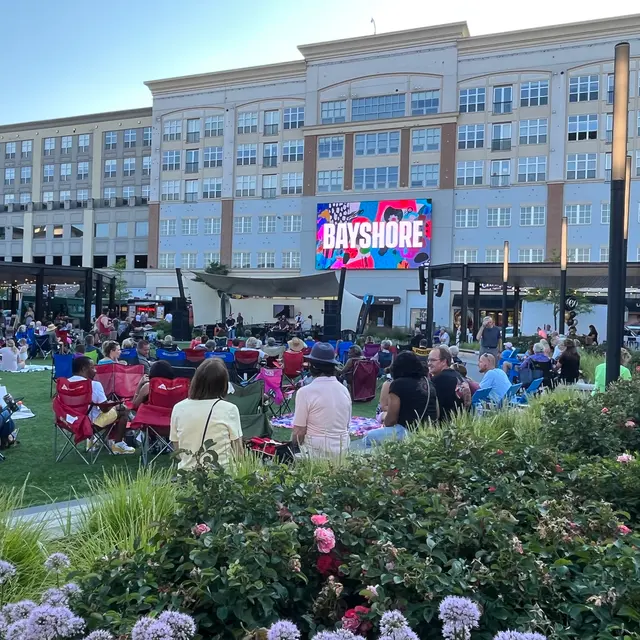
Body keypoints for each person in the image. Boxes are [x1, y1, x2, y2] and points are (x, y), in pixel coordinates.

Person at [170, 358, 242, 471]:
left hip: (187, 474)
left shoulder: (178, 408)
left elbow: (178, 452)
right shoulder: (230, 409)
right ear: (223, 384)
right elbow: (239, 453)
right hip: (223, 477)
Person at [355, 351, 439, 448]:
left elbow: (390, 421)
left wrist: (385, 420)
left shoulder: (397, 384)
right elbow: (436, 413)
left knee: (369, 438)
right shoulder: (429, 383)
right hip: (429, 432)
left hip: (409, 431)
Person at [292, 342, 351, 458]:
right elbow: (346, 425)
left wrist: (292, 447)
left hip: (315, 453)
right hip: (342, 451)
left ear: (312, 366)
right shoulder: (344, 390)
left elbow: (299, 431)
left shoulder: (305, 392)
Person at [69, 356, 135, 454]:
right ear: (83, 369)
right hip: (89, 425)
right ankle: (118, 445)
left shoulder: (65, 384)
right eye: (92, 368)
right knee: (122, 410)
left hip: (69, 423)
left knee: (108, 412)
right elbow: (105, 409)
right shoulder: (94, 385)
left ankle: (93, 441)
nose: (95, 371)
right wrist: (113, 405)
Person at [427, 345, 468, 420]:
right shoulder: (458, 376)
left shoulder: (439, 379)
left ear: (444, 361)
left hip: (444, 426)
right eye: (428, 360)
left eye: (433, 360)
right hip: (459, 423)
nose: (429, 363)